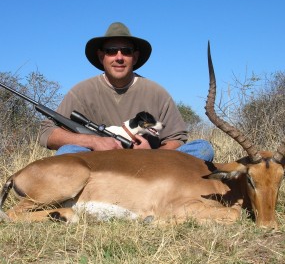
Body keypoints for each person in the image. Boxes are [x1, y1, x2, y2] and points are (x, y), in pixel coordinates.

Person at [39, 22, 214, 161]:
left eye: (126, 51)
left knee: (202, 149)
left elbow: (177, 139)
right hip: (100, 165)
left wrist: (151, 155)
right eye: (111, 51)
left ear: (135, 57)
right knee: (68, 152)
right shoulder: (82, 91)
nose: (119, 57)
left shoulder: (156, 92)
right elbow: (47, 132)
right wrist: (93, 141)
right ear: (102, 57)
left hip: (149, 166)